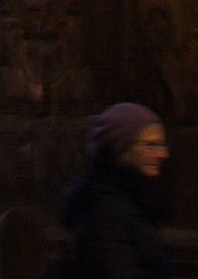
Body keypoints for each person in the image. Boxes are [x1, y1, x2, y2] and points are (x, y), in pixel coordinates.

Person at [61, 102, 173, 278]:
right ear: (121, 150)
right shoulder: (105, 209)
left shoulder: (131, 199)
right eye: (150, 145)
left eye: (162, 144)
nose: (163, 154)